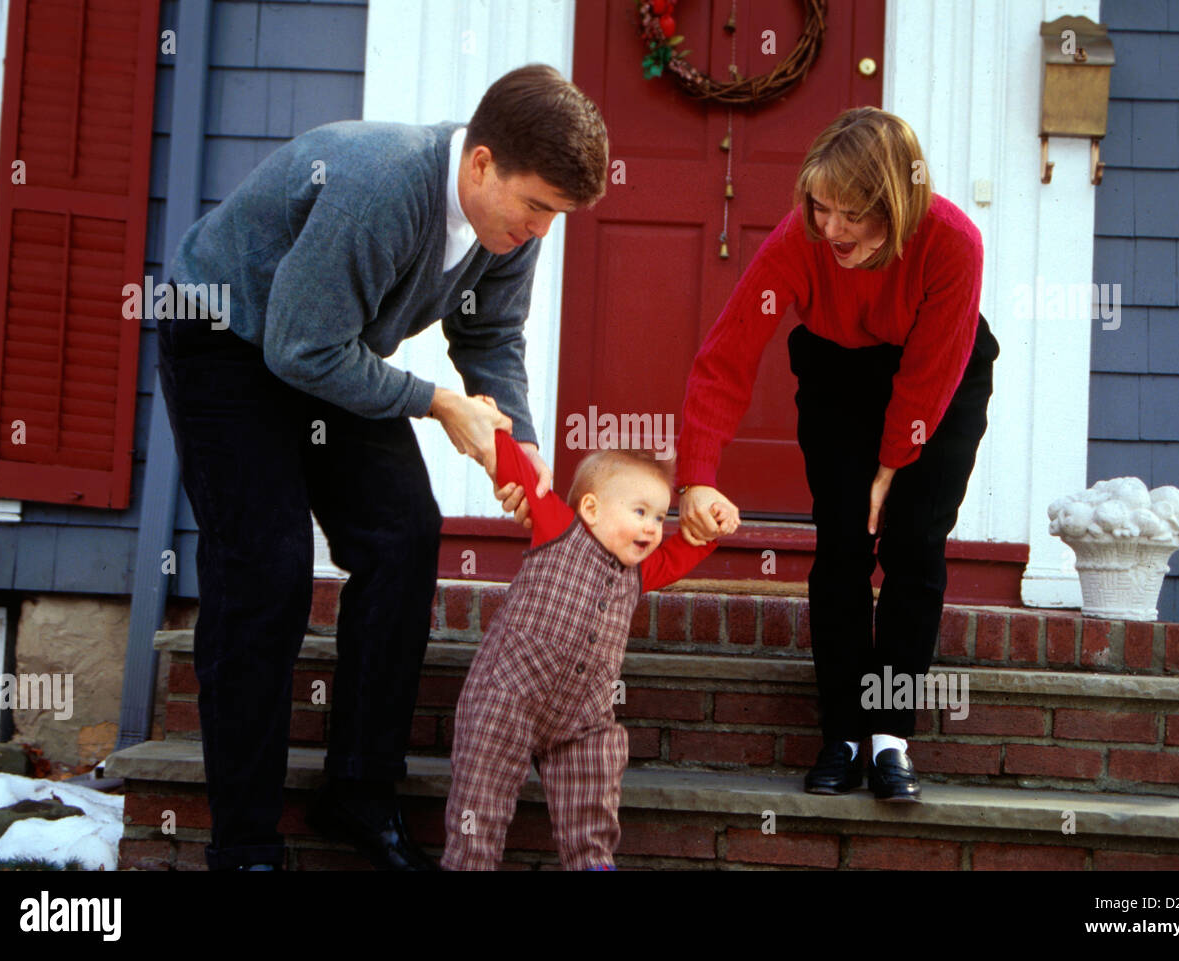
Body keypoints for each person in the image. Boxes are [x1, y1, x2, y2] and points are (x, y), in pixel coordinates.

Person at [157, 64, 608, 870]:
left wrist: (522, 440)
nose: (542, 230)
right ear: (480, 165)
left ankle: (359, 786)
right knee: (267, 569)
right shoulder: (379, 186)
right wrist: (440, 403)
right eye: (537, 206)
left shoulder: (509, 226)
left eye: (558, 216)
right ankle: (246, 842)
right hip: (227, 338)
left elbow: (489, 335)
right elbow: (298, 349)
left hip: (326, 345)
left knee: (404, 532)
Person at [675, 107, 999, 802]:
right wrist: (696, 477)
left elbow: (928, 377)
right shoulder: (800, 241)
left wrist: (891, 466)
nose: (830, 229)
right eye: (820, 208)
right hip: (838, 372)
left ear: (897, 204)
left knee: (914, 543)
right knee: (845, 540)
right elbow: (726, 357)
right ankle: (844, 730)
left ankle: (890, 736)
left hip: (940, 374)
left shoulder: (952, 243)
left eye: (850, 214)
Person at [442, 429, 734, 869]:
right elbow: (518, 471)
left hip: (583, 719)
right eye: (640, 512)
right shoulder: (558, 527)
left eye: (658, 517)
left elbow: (678, 554)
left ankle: (592, 863)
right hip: (506, 699)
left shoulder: (639, 572)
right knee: (480, 802)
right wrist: (495, 430)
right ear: (592, 509)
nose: (652, 528)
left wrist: (709, 526)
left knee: (595, 791)